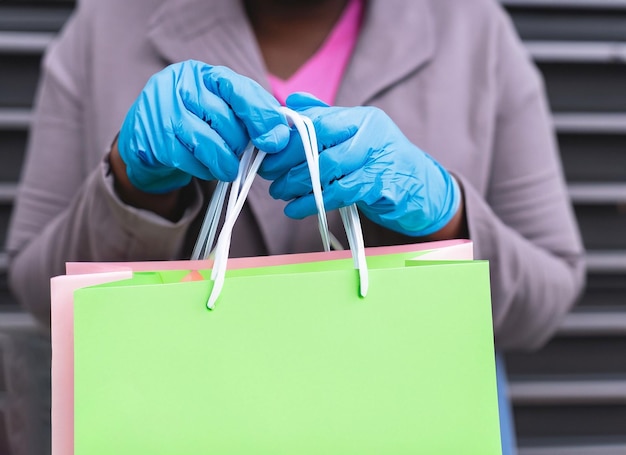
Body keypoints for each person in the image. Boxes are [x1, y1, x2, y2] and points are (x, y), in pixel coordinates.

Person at [5, 0, 585, 453]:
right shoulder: (105, 26)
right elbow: (37, 287)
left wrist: (444, 218)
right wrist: (132, 183)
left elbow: (547, 295)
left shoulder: (474, 30)